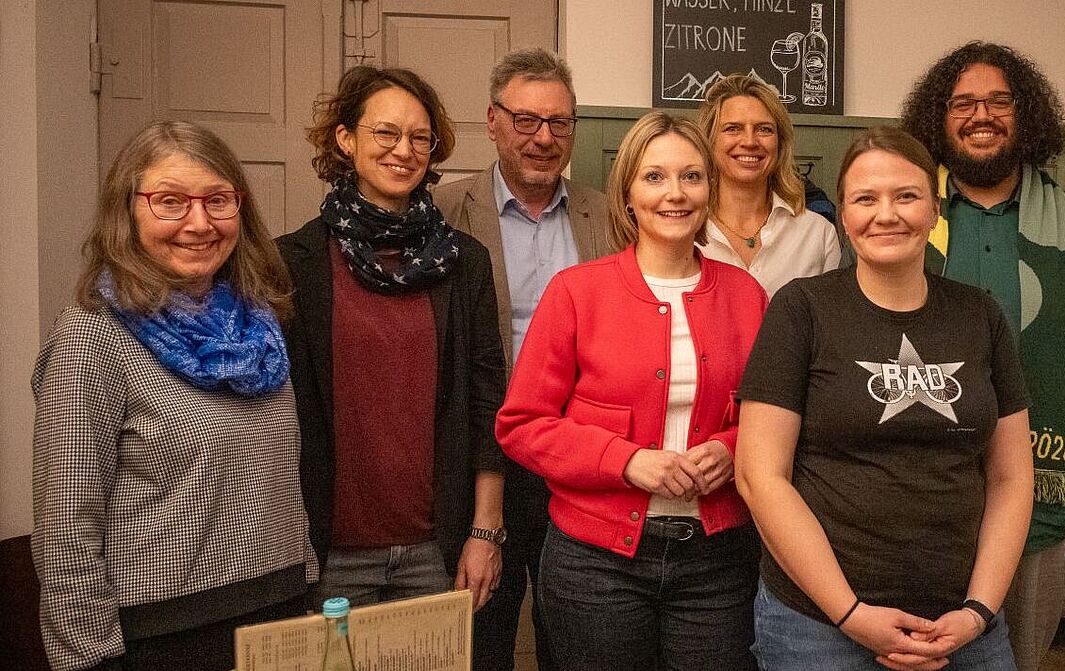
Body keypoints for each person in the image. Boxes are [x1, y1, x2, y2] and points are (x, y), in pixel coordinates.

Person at [736, 126, 1033, 671]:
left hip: (964, 624)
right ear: (843, 217)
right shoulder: (801, 310)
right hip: (819, 625)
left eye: (906, 196)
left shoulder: (981, 315)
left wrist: (978, 611)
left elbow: (1012, 477)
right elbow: (760, 476)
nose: (886, 214)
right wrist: (850, 614)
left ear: (935, 210)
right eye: (865, 199)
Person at [31, 120, 314, 671]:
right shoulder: (91, 336)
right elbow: (66, 526)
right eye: (170, 202)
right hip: (163, 636)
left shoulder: (263, 325)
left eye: (218, 201)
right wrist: (88, 659)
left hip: (280, 616)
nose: (199, 223)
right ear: (127, 212)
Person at [496, 112, 766, 670]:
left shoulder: (746, 295)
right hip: (596, 565)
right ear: (628, 194)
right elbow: (522, 425)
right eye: (655, 177)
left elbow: (777, 418)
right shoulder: (576, 292)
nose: (675, 194)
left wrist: (733, 449)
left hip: (717, 562)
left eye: (691, 177)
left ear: (710, 190)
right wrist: (628, 462)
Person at [899, 41, 1065, 671]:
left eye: (1000, 101)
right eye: (963, 103)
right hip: (911, 508)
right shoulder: (897, 219)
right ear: (938, 120)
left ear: (1028, 116)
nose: (982, 115)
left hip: (1043, 504)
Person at [279, 66, 506, 611]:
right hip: (325, 550)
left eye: (419, 137)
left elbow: (486, 401)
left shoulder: (464, 263)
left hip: (438, 547)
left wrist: (486, 531)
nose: (403, 150)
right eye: (385, 133)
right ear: (346, 138)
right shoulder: (291, 264)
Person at [430, 48, 612, 670]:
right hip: (483, 452)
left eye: (559, 123)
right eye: (526, 120)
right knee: (482, 629)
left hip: (579, 454)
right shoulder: (444, 213)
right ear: (492, 120)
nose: (543, 138)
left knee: (574, 631)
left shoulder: (608, 216)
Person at [694, 74, 841, 296]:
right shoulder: (686, 230)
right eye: (733, 128)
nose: (750, 141)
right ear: (709, 140)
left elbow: (828, 327)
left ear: (780, 144)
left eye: (764, 129)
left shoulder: (817, 234)